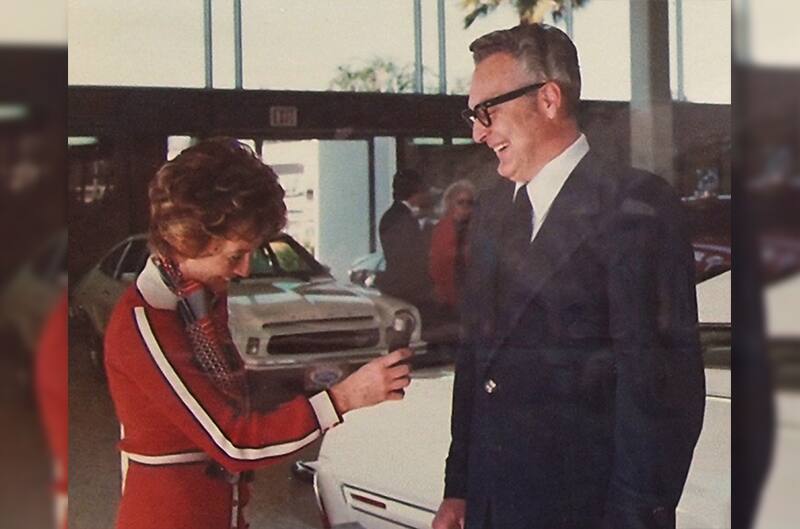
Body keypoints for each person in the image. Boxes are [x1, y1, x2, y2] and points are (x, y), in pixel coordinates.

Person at [432, 23, 705, 529]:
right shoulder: (492, 215)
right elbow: (476, 364)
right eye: (473, 116)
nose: (477, 131)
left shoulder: (635, 207)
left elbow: (660, 394)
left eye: (486, 112)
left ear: (549, 98)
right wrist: (460, 489)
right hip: (494, 506)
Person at [104, 137, 412, 529]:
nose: (245, 270)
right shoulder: (146, 321)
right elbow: (235, 441)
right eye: (236, 255)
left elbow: (239, 405)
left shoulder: (195, 305)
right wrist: (344, 398)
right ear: (186, 237)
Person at [377, 169, 435, 313]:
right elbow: (410, 258)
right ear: (417, 191)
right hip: (408, 292)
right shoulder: (401, 219)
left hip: (403, 288)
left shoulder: (395, 215)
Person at [429, 179, 476, 312]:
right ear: (450, 204)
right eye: (460, 202)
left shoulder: (479, 229)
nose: (465, 206)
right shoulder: (438, 230)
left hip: (472, 299)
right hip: (444, 300)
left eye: (470, 203)